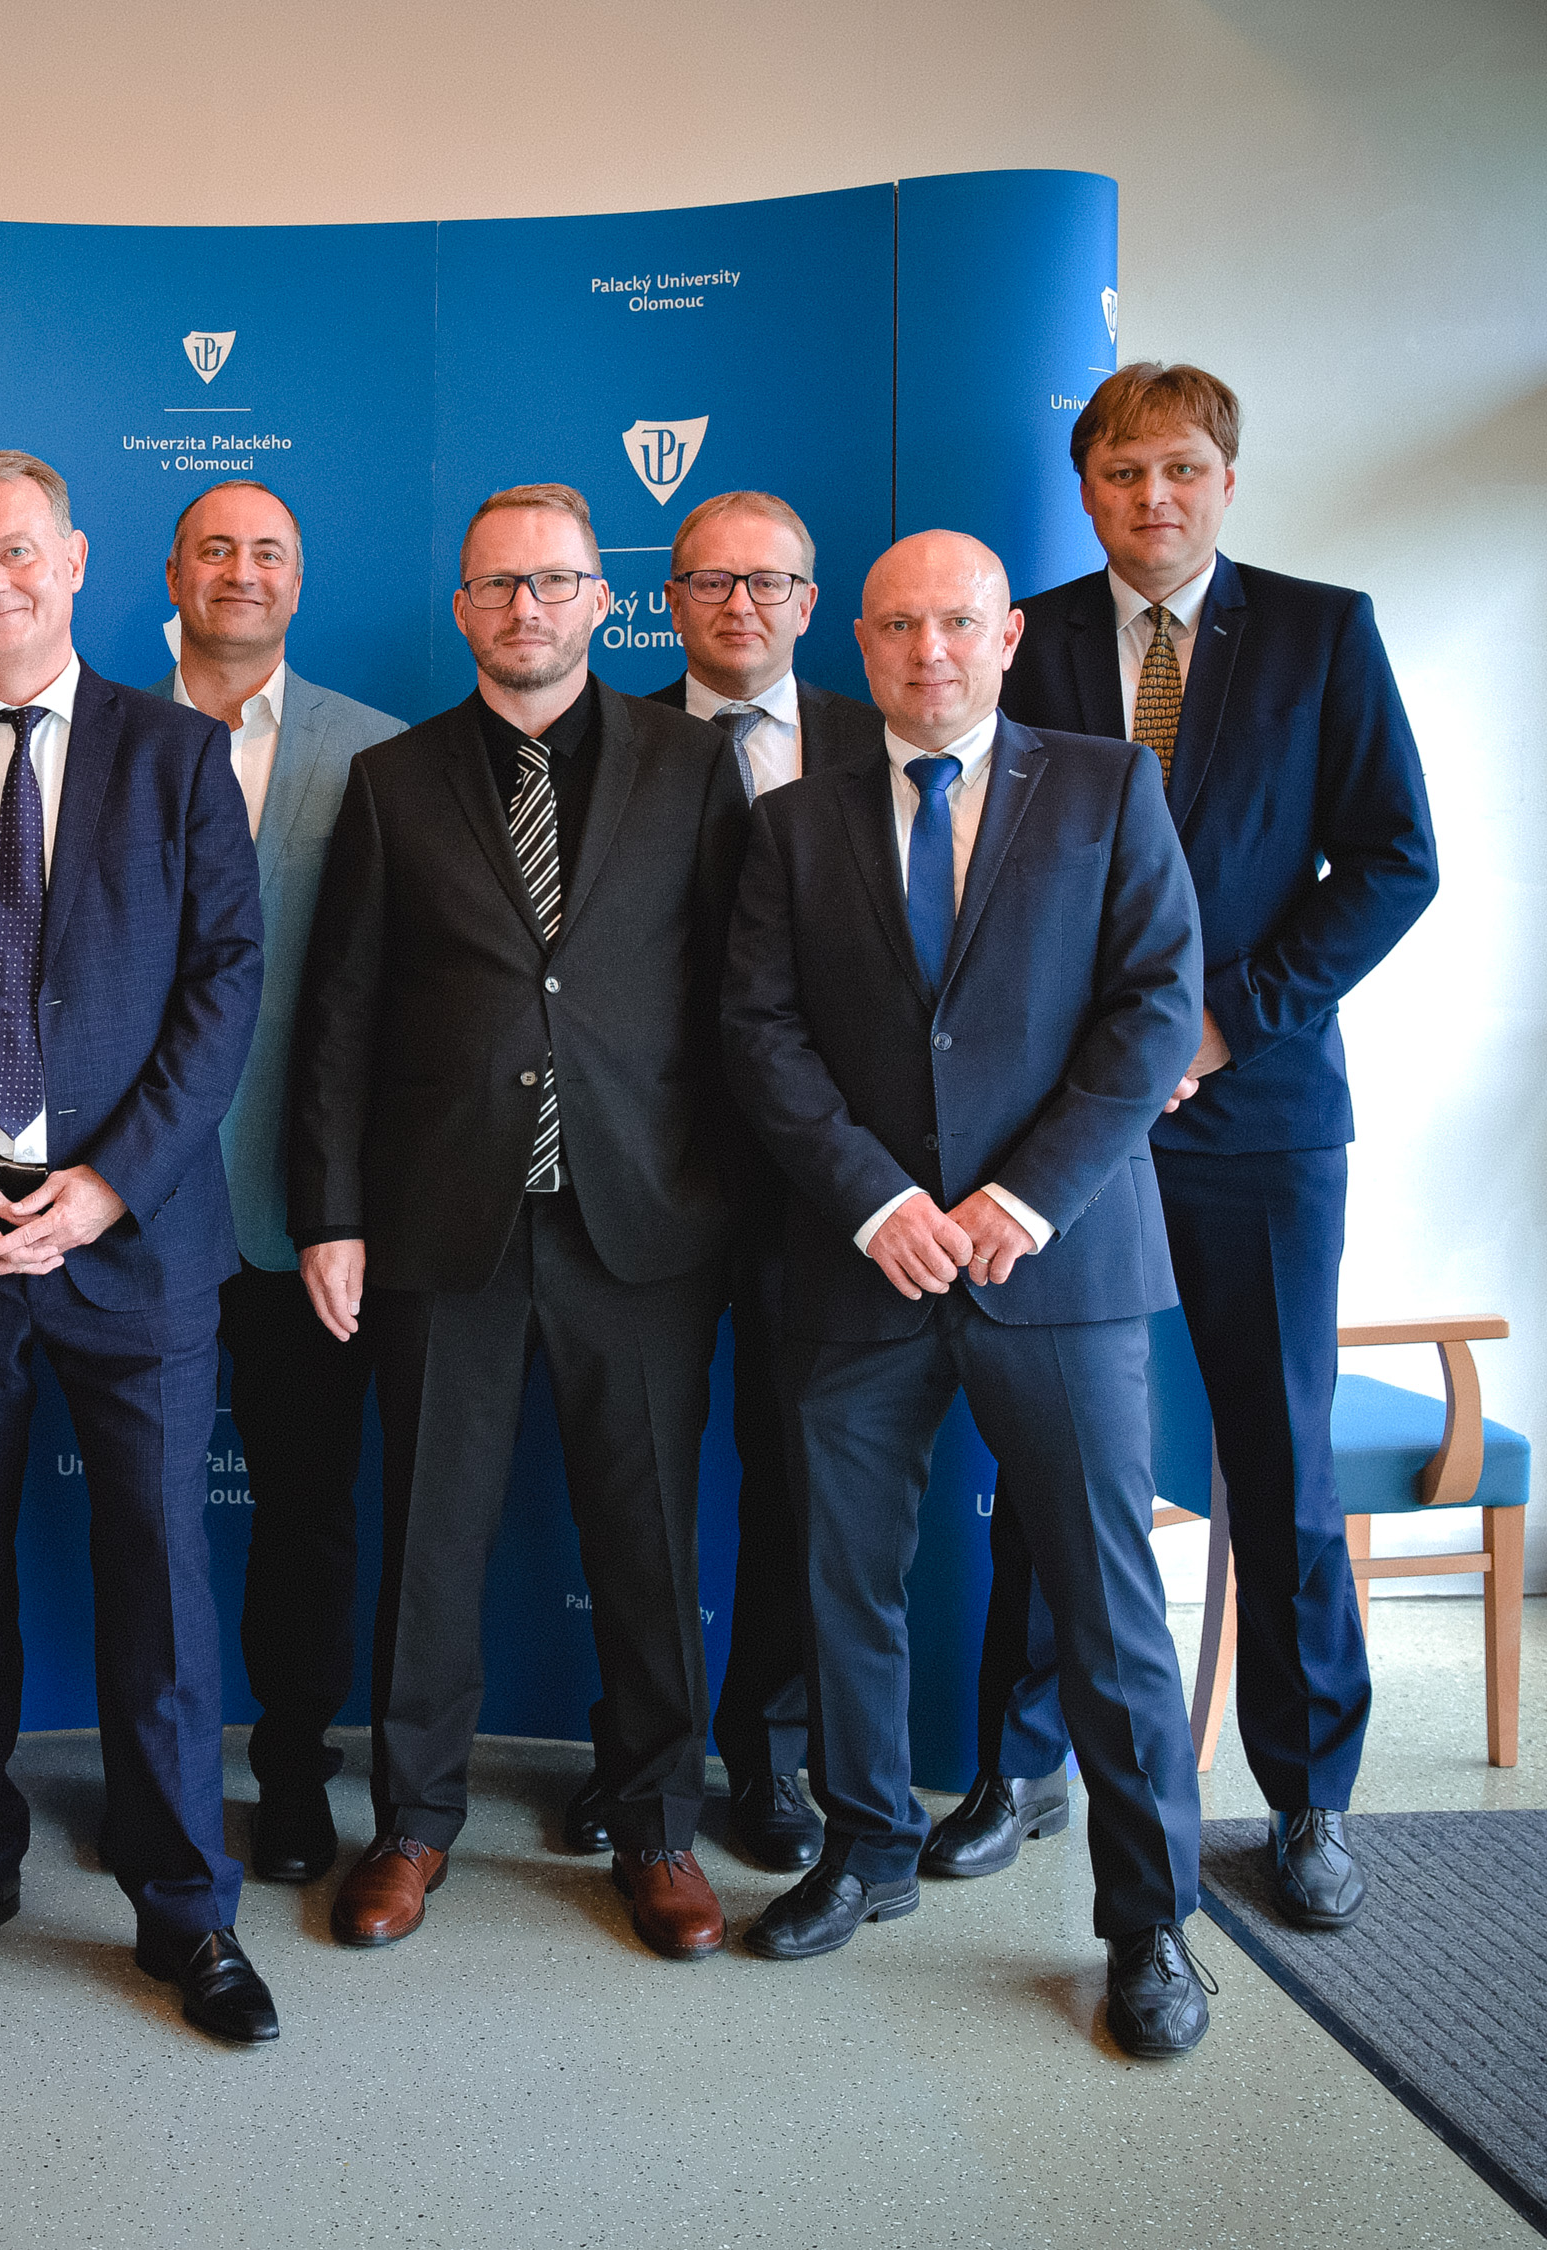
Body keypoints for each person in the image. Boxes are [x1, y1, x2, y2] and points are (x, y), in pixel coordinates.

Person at [933, 365, 1439, 1932]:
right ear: (1085, 487)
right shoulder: (1024, 637)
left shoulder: (1321, 633)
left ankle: (1306, 1796)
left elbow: (1394, 861)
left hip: (1256, 1112)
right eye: (1122, 471)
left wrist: (1222, 1024)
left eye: (1182, 469)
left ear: (1228, 479)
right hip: (1062, 1123)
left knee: (1279, 1464)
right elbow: (977, 859)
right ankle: (1022, 1764)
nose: (1153, 497)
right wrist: (1089, 1063)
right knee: (1051, 1459)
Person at [719, 528, 1216, 2059]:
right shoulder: (794, 824)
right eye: (897, 626)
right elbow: (759, 1031)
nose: (927, 651)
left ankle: (1150, 1924)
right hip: (863, 1260)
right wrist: (878, 1200)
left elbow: (1157, 1007)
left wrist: (1022, 1197)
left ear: (1007, 639)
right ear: (857, 642)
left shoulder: (1111, 790)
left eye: (956, 623)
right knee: (843, 1579)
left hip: (1058, 1263)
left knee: (1109, 1606)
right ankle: (866, 1845)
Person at [0, 449, 278, 2044]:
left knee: (159, 1587)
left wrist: (109, 1186)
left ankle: (186, 1907)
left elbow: (226, 984)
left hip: (132, 1243)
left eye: (18, 553)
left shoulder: (179, 754)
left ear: (78, 561)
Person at [289, 483, 745, 1962]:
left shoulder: (695, 765)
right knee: (430, 1542)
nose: (525, 607)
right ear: (463, 607)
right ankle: (414, 1823)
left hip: (645, 1220)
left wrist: (733, 1198)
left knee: (651, 1544)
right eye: (496, 585)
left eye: (551, 582)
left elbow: (741, 1001)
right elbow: (341, 1015)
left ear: (602, 600)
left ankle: (660, 1825)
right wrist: (331, 1215)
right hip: (444, 1224)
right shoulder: (392, 780)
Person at [610, 490, 879, 1875]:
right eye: (711, 581)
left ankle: (769, 1753)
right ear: (668, 600)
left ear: (809, 601)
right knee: (634, 1475)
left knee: (794, 1474)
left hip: (817, 1176)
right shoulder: (611, 739)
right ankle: (638, 1761)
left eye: (768, 582)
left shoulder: (874, 741)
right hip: (643, 1165)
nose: (740, 605)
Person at [153, 480, 401, 1885]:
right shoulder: (101, 736)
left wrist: (344, 1204)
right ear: (171, 574)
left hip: (307, 1220)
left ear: (298, 584)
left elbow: (389, 1006)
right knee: (147, 1517)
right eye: (216, 548)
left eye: (269, 553)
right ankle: (166, 1774)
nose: (241, 571)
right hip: (136, 1208)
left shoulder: (376, 754)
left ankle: (296, 1767)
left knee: (308, 1511)